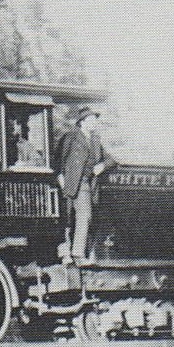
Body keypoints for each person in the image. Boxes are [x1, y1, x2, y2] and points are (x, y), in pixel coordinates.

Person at [54, 106, 111, 263]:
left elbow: (110, 159)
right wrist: (60, 178)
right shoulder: (70, 137)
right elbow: (58, 158)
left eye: (95, 120)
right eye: (91, 120)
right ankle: (73, 253)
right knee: (70, 217)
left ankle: (77, 252)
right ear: (83, 122)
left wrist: (102, 166)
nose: (94, 123)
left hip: (86, 183)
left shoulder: (95, 140)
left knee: (85, 216)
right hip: (70, 182)